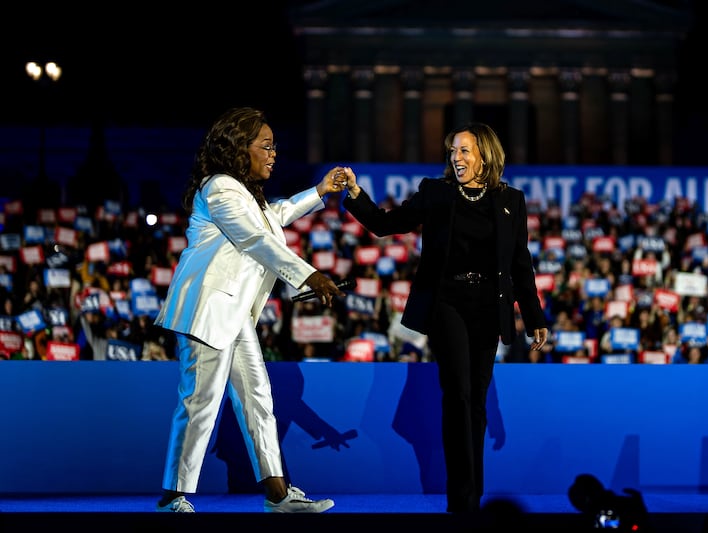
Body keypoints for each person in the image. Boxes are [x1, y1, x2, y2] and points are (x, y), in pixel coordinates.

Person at [339, 122, 549, 513]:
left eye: (464, 151)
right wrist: (354, 193)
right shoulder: (436, 193)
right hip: (447, 301)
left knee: (478, 401)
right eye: (453, 151)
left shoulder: (511, 201)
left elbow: (521, 264)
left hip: (490, 305)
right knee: (459, 393)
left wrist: (534, 315)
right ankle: (461, 499)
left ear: (485, 154)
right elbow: (386, 225)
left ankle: (475, 494)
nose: (456, 158)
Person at [154, 106, 349, 513]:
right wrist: (309, 275)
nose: (274, 153)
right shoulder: (221, 187)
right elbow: (254, 239)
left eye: (274, 146)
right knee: (199, 402)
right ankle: (173, 497)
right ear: (240, 149)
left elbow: (272, 219)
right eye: (266, 146)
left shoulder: (243, 192)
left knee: (258, 398)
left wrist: (318, 192)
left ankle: (278, 494)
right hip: (207, 310)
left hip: (234, 313)